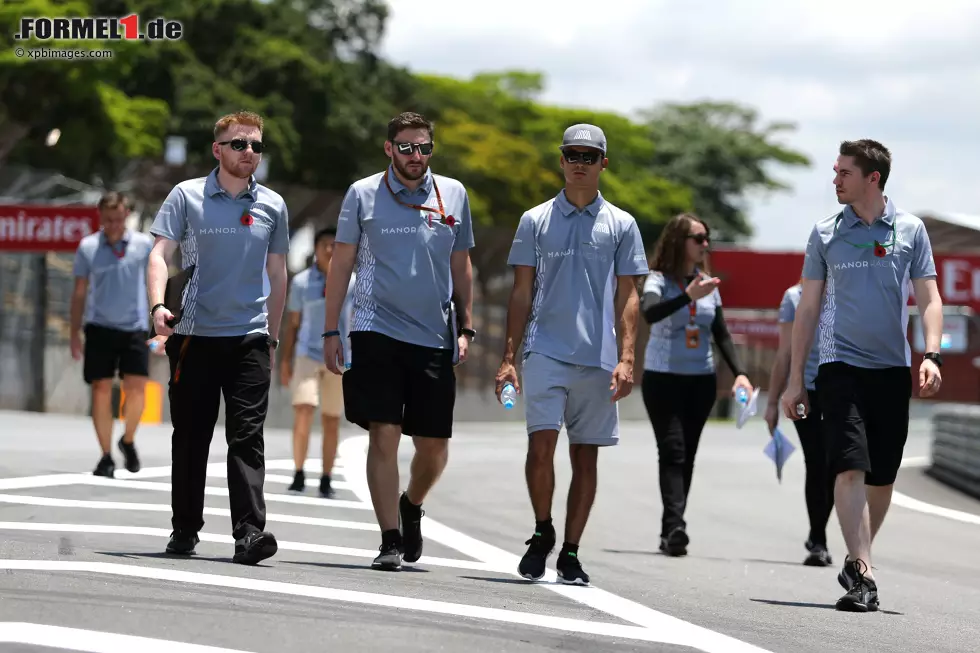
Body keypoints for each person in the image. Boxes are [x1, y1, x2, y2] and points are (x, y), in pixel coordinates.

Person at [781, 139, 943, 612]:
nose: (835, 180)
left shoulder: (910, 230)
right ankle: (864, 573)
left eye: (843, 172)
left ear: (872, 177)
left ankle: (857, 559)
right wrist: (796, 380)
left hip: (892, 369)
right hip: (838, 367)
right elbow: (808, 309)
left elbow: (930, 298)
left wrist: (931, 354)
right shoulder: (824, 232)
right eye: (835, 171)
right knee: (849, 465)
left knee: (882, 478)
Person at [495, 123, 649, 586]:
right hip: (545, 351)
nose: (579, 162)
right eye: (571, 154)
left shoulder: (622, 224)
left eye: (589, 155)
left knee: (586, 458)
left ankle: (571, 552)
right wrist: (509, 357)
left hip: (599, 360)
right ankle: (543, 531)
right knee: (540, 446)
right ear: (561, 161)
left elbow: (630, 296)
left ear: (603, 163)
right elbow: (520, 294)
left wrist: (626, 358)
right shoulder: (534, 220)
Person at [322, 111, 476, 571]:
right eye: (406, 147)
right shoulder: (363, 194)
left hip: (433, 335)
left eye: (423, 148)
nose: (415, 156)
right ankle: (389, 537)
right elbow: (341, 265)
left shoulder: (453, 194)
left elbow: (461, 264)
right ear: (389, 148)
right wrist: (332, 328)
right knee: (384, 432)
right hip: (374, 330)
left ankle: (412, 503)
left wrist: (466, 326)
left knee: (433, 447)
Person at [147, 110, 290, 566]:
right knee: (191, 436)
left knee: (247, 437)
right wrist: (157, 307)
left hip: (250, 338)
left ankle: (249, 533)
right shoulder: (186, 196)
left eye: (256, 146)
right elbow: (158, 255)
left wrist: (273, 334)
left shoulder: (273, 205)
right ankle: (184, 528)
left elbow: (278, 272)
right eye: (239, 144)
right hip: (193, 336)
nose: (249, 152)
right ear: (218, 149)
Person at [639, 213, 754, 557]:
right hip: (662, 379)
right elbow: (651, 313)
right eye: (698, 238)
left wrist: (740, 373)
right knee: (672, 450)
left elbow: (721, 334)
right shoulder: (657, 280)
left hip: (700, 381)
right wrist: (687, 296)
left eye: (707, 238)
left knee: (686, 455)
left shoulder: (708, 285)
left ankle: (670, 526)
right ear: (678, 241)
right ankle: (676, 525)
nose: (705, 244)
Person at [70, 191, 156, 478]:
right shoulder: (88, 247)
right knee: (101, 389)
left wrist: (162, 326)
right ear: (100, 218)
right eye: (109, 220)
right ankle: (106, 455)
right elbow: (80, 291)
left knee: (136, 388)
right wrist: (73, 332)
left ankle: (127, 439)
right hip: (99, 327)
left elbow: (157, 282)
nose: (115, 224)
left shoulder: (143, 245)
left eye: (119, 218)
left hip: (135, 328)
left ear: (127, 216)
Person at [280, 226, 355, 498]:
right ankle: (299, 473)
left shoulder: (353, 282)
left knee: (331, 419)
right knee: (303, 410)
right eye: (325, 244)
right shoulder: (301, 283)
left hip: (339, 358)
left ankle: (326, 477)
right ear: (316, 248)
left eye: (336, 245)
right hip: (307, 355)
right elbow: (293, 324)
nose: (330, 250)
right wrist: (286, 360)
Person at [765, 279, 835, 567]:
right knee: (816, 461)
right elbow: (784, 353)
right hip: (804, 389)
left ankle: (818, 532)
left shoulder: (846, 291)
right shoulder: (793, 297)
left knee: (836, 464)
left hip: (840, 389)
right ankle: (818, 538)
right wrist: (771, 404)